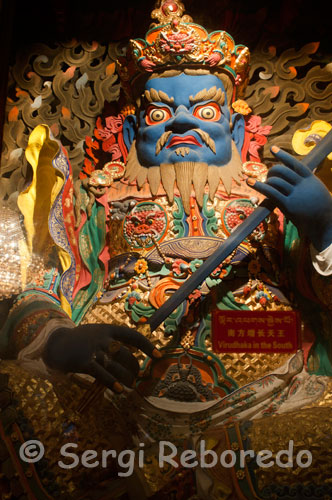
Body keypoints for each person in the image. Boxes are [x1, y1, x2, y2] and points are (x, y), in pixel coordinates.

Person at [1, 0, 332, 498]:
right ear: (135, 130)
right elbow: (40, 278)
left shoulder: (279, 201)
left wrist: (325, 227)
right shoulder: (96, 200)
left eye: (202, 110)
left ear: (237, 129)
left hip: (269, 400)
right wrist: (58, 340)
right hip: (118, 405)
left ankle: (208, 473)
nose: (180, 125)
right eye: (159, 112)